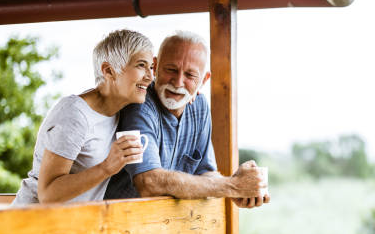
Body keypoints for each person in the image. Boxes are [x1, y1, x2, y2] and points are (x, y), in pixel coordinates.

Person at [104, 31, 269, 208]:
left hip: (166, 226)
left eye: (190, 75)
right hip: (118, 223)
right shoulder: (138, 104)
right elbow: (148, 182)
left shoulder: (200, 105)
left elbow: (206, 173)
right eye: (171, 70)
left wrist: (241, 189)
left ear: (203, 80)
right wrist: (232, 186)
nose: (178, 82)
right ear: (155, 67)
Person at [12, 30, 153, 205]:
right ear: (109, 71)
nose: (150, 76)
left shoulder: (121, 108)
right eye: (141, 65)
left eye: (151, 67)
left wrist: (190, 94)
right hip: (28, 224)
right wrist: (107, 167)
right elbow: (47, 194)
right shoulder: (74, 114)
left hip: (70, 227)